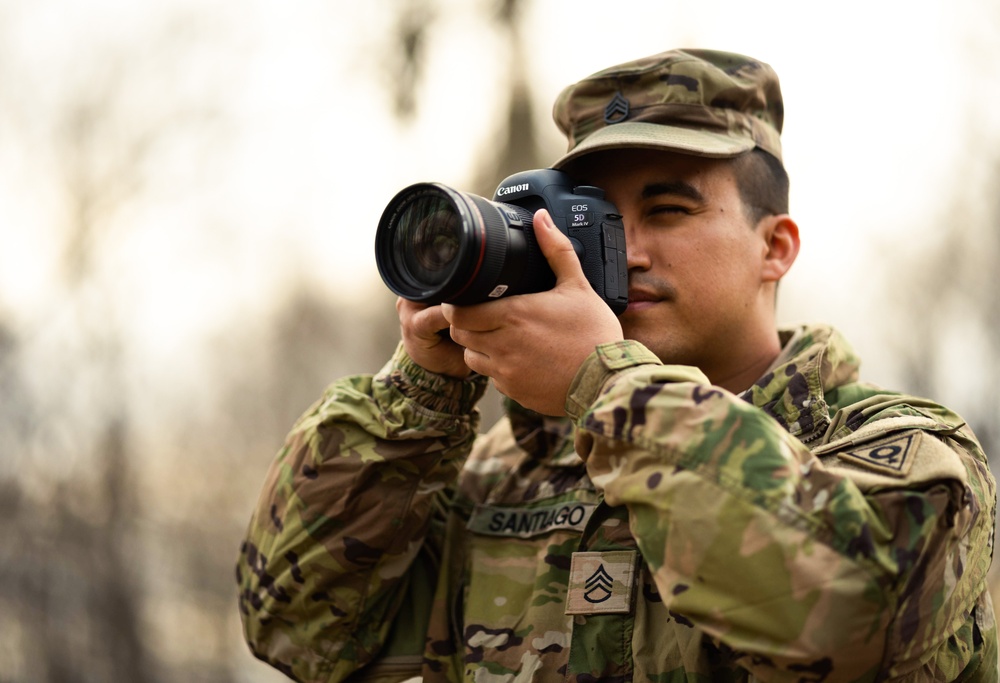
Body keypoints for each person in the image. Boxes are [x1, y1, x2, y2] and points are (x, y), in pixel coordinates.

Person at [235, 49, 998, 682]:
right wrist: (422, 390)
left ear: (776, 247)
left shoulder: (904, 455)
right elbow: (299, 629)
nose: (621, 252)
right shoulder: (501, 472)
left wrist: (605, 386)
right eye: (593, 218)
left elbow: (849, 619)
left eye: (669, 210)